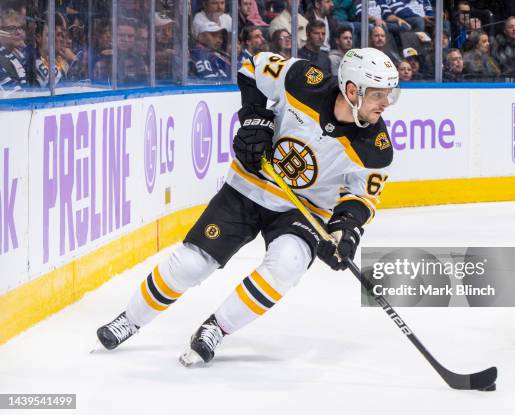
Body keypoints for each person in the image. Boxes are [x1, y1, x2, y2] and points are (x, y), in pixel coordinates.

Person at [96, 47, 399, 366]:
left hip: (305, 211)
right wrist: (255, 117)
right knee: (191, 264)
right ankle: (130, 320)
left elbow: (362, 197)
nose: (386, 103)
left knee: (287, 264)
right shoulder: (302, 80)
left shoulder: (376, 149)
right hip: (250, 185)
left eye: (389, 94)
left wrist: (344, 234)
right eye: (378, 94)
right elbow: (252, 65)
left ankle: (217, 328)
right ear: (352, 90)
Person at [0, 6, 27, 96]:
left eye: (20, 28)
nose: (18, 32)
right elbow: (13, 96)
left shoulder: (19, 55)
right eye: (12, 28)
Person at [491, 16, 515, 80]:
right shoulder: (499, 47)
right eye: (511, 27)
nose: (514, 29)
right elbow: (505, 69)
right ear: (505, 31)